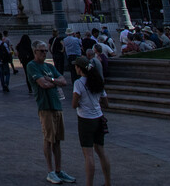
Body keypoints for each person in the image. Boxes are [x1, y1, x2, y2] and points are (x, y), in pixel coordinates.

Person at [28, 40, 75, 184]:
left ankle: (59, 170)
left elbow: (64, 81)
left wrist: (51, 79)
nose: (44, 53)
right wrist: (54, 81)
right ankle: (50, 171)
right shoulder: (32, 66)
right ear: (35, 52)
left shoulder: (49, 66)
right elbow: (43, 84)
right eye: (41, 51)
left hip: (57, 106)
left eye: (45, 51)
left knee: (57, 140)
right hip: (45, 106)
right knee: (49, 139)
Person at [71, 57, 111, 186]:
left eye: (76, 66)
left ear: (79, 68)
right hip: (99, 118)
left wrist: (82, 103)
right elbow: (106, 103)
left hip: (85, 120)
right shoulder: (97, 81)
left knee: (88, 155)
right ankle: (108, 182)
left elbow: (74, 104)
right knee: (101, 151)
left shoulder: (78, 83)